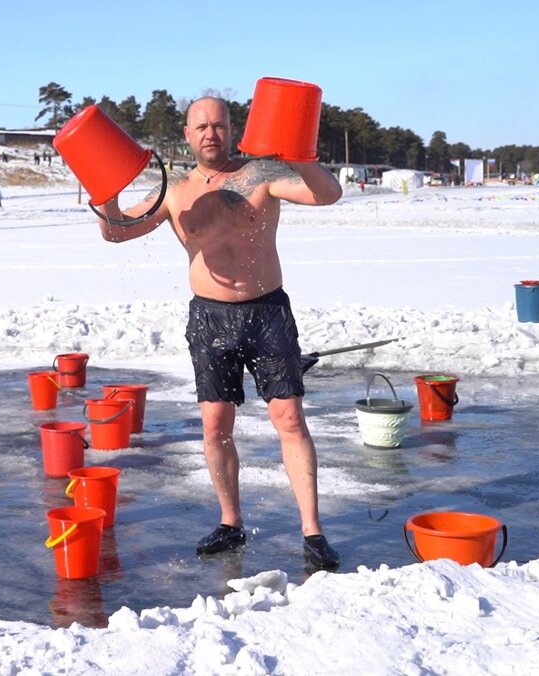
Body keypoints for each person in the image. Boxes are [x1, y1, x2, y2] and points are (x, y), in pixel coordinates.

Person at [96, 96, 344, 571]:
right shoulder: (174, 191)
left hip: (268, 311)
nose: (211, 133)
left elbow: (327, 194)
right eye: (201, 126)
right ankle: (230, 523)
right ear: (187, 135)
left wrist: (300, 156)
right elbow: (116, 231)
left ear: (232, 131)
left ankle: (312, 533)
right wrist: (105, 189)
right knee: (215, 425)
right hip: (210, 319)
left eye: (220, 125)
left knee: (289, 418)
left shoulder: (260, 175)